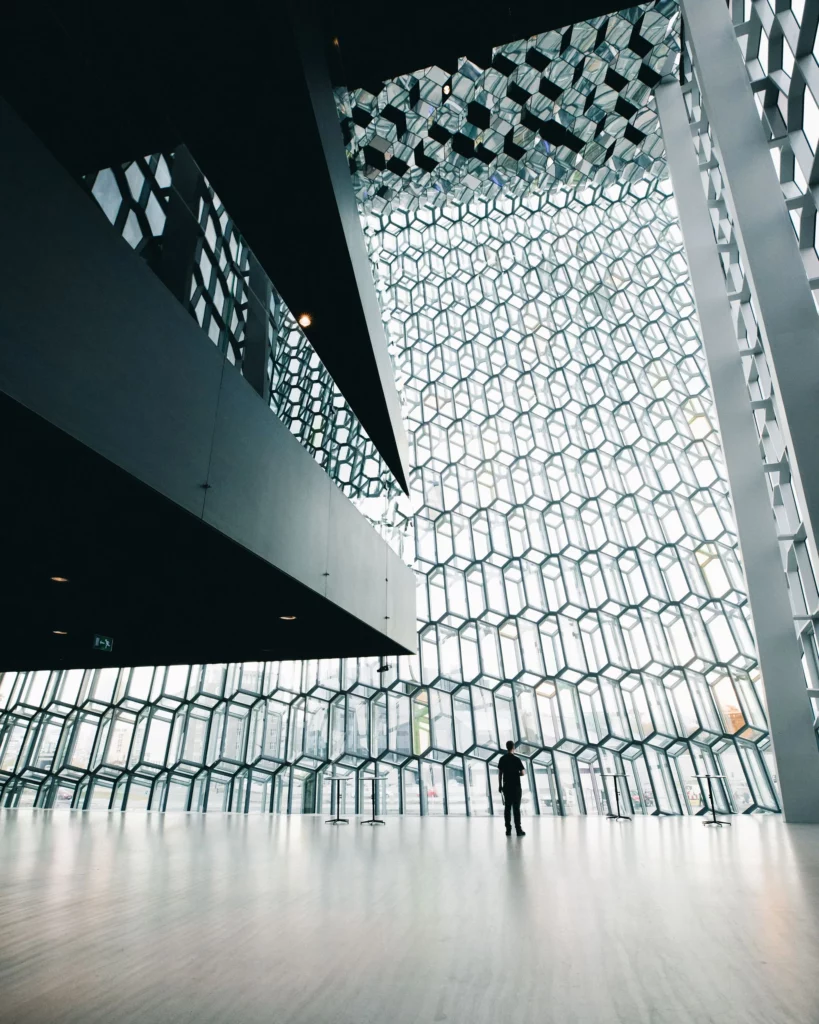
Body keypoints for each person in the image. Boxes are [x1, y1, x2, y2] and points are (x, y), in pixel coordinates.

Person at [498, 740, 526, 836]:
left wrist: (500, 785)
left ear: (506, 747)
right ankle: (518, 829)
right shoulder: (517, 759)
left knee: (507, 808)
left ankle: (508, 829)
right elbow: (522, 773)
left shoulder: (502, 759)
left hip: (506, 786)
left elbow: (500, 773)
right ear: (513, 747)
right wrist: (515, 774)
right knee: (516, 808)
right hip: (516, 787)